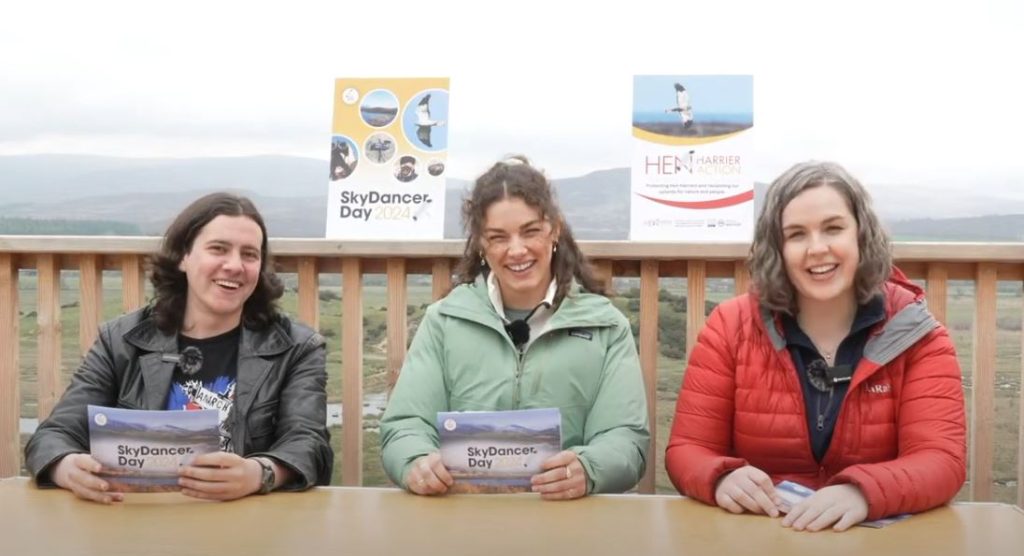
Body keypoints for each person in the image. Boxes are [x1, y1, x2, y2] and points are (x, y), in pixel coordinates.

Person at [665, 161, 966, 531]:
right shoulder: (730, 327)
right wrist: (720, 477)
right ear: (777, 247)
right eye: (796, 235)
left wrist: (862, 492)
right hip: (761, 536)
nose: (817, 248)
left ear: (861, 234)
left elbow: (941, 461)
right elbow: (687, 451)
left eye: (833, 228)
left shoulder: (918, 334)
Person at [25, 192, 332, 503]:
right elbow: (53, 436)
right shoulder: (120, 340)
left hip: (247, 525)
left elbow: (309, 445)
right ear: (184, 256)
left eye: (250, 254)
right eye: (218, 249)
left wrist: (259, 474)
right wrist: (67, 468)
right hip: (137, 523)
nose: (235, 265)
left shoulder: (297, 348)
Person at [380, 156, 649, 499]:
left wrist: (588, 469)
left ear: (555, 228)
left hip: (568, 523)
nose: (517, 250)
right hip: (464, 522)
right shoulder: (444, 321)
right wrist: (415, 461)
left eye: (530, 231)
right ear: (480, 243)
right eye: (498, 237)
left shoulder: (606, 326)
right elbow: (404, 426)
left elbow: (626, 439)